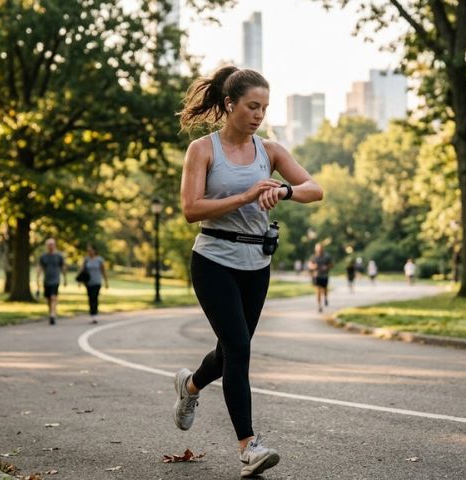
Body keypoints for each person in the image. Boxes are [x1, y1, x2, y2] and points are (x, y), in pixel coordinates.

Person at [174, 65, 323, 478]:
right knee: (239, 349)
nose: (259, 115)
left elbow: (315, 189)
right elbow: (191, 209)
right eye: (252, 106)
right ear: (229, 105)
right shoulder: (203, 150)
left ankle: (189, 387)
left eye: (265, 108)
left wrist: (285, 190)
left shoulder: (270, 151)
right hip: (213, 260)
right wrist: (244, 196)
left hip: (256, 264)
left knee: (228, 352)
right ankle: (249, 447)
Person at [36, 238, 67, 325]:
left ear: (55, 245)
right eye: (49, 245)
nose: (51, 246)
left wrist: (65, 279)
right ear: (47, 246)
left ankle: (53, 314)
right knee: (48, 298)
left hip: (55, 280)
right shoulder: (43, 257)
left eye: (52, 244)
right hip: (46, 280)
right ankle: (51, 312)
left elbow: (63, 267)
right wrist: (38, 278)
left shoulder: (59, 256)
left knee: (53, 297)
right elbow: (40, 267)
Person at [80, 244, 109, 323]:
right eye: (88, 250)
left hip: (97, 281)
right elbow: (82, 270)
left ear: (94, 250)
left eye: (90, 250)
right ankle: (92, 314)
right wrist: (80, 281)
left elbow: (103, 271)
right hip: (88, 282)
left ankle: (95, 315)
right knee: (90, 298)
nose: (89, 252)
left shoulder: (99, 259)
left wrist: (106, 281)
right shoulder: (86, 259)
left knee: (95, 297)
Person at [308, 243, 333, 312]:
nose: (319, 250)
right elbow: (309, 265)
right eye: (317, 249)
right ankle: (319, 306)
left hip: (324, 276)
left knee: (324, 290)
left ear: (322, 249)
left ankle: (325, 297)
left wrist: (326, 267)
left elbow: (332, 265)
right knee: (318, 291)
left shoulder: (327, 256)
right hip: (316, 276)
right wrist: (313, 266)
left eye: (320, 248)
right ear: (315, 249)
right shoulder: (313, 257)